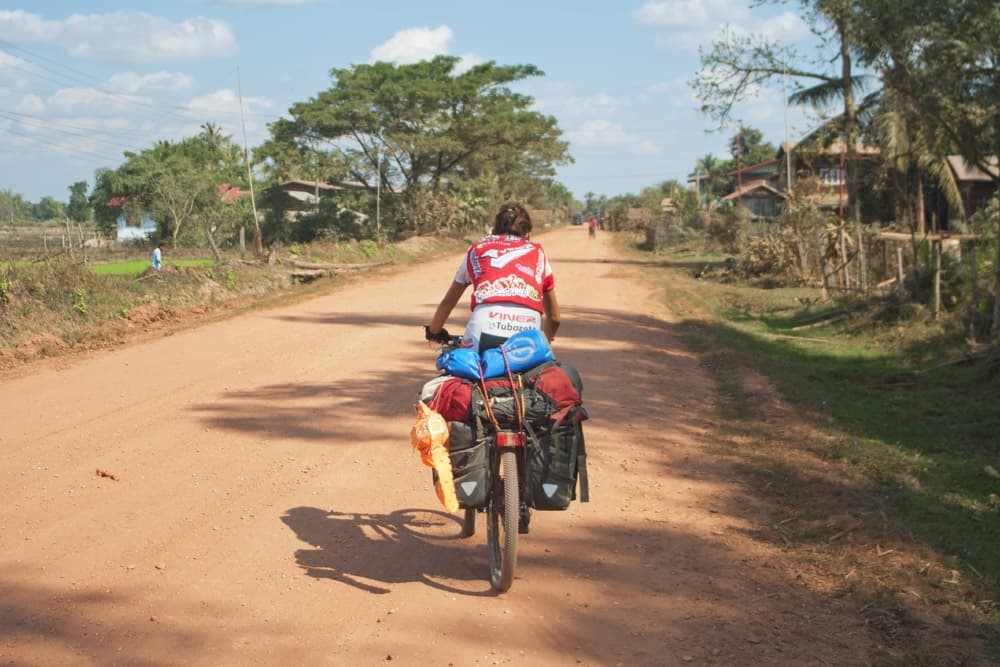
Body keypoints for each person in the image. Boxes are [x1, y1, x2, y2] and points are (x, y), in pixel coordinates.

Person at [425, 202, 560, 354]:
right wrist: (545, 345)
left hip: (481, 331)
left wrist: (434, 332)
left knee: (462, 370)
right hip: (527, 340)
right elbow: (554, 318)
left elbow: (448, 302)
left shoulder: (477, 249)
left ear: (494, 231)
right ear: (528, 234)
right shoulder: (538, 253)